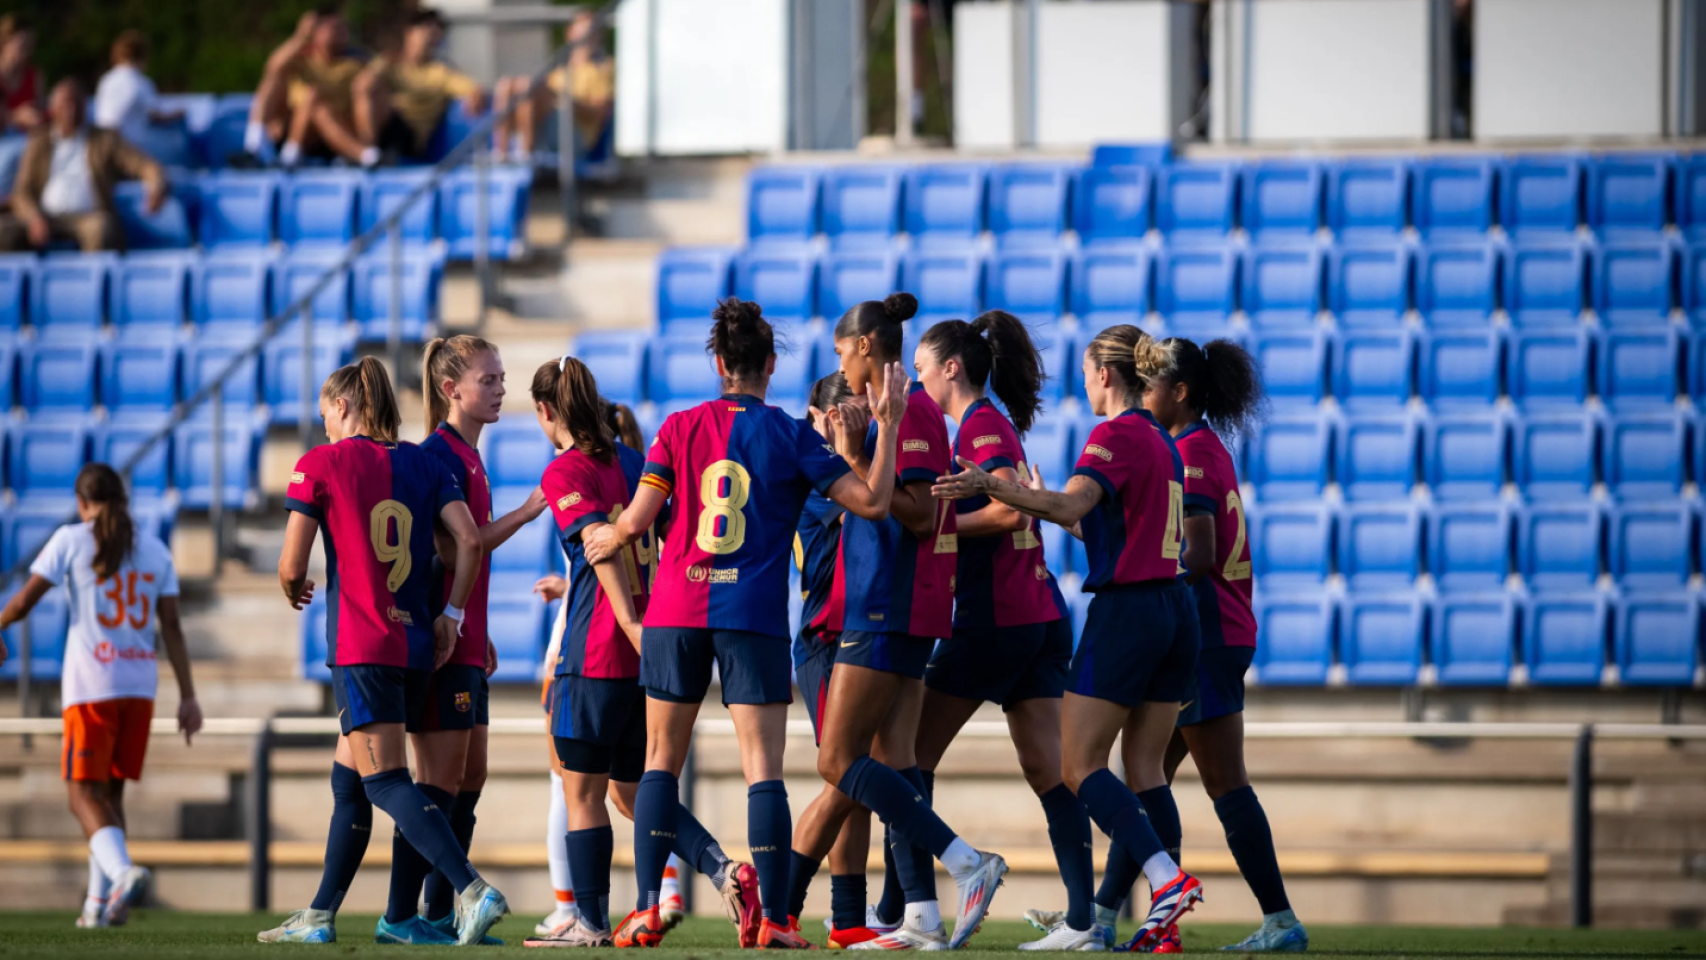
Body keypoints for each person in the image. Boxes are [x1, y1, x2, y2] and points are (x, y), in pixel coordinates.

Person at [579, 297, 907, 949]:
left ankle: (646, 907)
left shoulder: (677, 427)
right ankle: (777, 923)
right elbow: (872, 503)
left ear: (719, 362)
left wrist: (606, 535)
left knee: (659, 761)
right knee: (764, 767)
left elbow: (638, 520)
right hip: (751, 615)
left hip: (676, 610)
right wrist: (889, 424)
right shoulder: (791, 435)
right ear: (770, 365)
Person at [931, 325, 1206, 952]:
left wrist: (994, 487)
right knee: (1143, 770)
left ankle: (1165, 880)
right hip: (1174, 606)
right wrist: (1031, 497)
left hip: (1129, 612)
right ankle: (1139, 922)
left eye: (1086, 372)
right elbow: (1106, 527)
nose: (1083, 383)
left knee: (1077, 766)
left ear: (1105, 375)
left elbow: (1070, 509)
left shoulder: (1114, 434)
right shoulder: (1163, 441)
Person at [781, 293, 1007, 952]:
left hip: (885, 602)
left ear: (866, 347)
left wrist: (852, 454)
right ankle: (923, 916)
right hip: (912, 604)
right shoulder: (910, 411)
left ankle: (967, 862)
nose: (840, 363)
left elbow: (907, 510)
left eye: (841, 350)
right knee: (896, 762)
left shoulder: (902, 413)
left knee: (837, 760)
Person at [258, 357, 509, 946]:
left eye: (326, 414)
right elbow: (468, 541)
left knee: (388, 780)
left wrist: (293, 588)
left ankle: (472, 889)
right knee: (350, 780)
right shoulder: (422, 464)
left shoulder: (320, 464)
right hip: (417, 644)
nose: (324, 426)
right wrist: (453, 615)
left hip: (361, 645)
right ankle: (320, 916)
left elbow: (292, 566)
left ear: (343, 406)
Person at [525, 357, 767, 947]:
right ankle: (723, 870)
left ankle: (587, 921)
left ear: (546, 411)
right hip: (652, 650)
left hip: (597, 649)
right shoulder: (636, 461)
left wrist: (629, 621)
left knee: (582, 793)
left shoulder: (564, 471)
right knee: (634, 791)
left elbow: (598, 548)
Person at [906, 311, 1098, 951]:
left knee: (906, 759)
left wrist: (938, 532)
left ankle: (910, 913)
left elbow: (1003, 500)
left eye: (922, 367)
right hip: (1039, 615)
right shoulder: (994, 425)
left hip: (997, 619)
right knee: (1051, 770)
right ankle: (1083, 920)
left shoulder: (981, 428)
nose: (916, 378)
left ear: (951, 369)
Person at [372, 336, 547, 945]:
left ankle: (442, 914)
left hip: (467, 638)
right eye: (490, 380)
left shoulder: (470, 457)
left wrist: (481, 625)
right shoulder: (439, 455)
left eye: (501, 378)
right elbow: (454, 547)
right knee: (437, 782)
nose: (501, 389)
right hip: (442, 641)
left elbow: (465, 558)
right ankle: (401, 915)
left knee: (470, 777)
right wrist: (527, 513)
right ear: (452, 389)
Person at [0, 463, 200, 930]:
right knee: (110, 797)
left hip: (92, 686)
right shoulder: (153, 548)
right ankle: (100, 904)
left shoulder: (71, 539)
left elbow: (25, 599)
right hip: (139, 686)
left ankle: (121, 872)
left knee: (79, 793)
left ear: (81, 501)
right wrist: (189, 696)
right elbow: (171, 627)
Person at [786, 372, 890, 949]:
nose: (853, 429)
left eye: (861, 419)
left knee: (859, 780)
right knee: (845, 775)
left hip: (862, 634)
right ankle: (794, 904)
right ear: (817, 416)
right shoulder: (815, 478)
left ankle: (850, 916)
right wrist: (851, 454)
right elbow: (866, 512)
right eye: (841, 417)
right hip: (827, 638)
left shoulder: (859, 466)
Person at [0, 78, 166, 253]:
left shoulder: (105, 139)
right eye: (65, 104)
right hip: (45, 216)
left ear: (85, 107)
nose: (71, 111)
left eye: (76, 104)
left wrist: (156, 184)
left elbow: (143, 164)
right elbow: (22, 192)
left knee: (102, 230)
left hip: (89, 216)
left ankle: (94, 279)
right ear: (53, 109)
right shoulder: (38, 143)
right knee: (4, 232)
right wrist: (33, 219)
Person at [244, 4, 376, 169]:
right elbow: (272, 67)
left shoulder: (357, 61)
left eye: (341, 27)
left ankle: (366, 155)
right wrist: (301, 37)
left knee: (315, 102)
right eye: (330, 27)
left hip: (336, 130)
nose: (336, 32)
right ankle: (254, 145)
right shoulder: (300, 58)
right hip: (296, 127)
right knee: (273, 81)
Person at [353, 9, 483, 164]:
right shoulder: (390, 63)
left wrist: (476, 95)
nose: (429, 37)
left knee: (376, 96)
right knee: (368, 89)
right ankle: (367, 154)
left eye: (435, 33)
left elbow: (473, 88)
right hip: (386, 128)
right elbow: (362, 84)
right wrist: (381, 67)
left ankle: (367, 155)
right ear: (409, 33)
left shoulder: (440, 72)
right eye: (424, 30)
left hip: (411, 137)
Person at [492, 9, 611, 163]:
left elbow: (599, 113)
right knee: (507, 86)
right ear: (570, 34)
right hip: (549, 126)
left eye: (591, 32)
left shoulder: (602, 70)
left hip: (575, 137)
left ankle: (526, 153)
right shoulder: (558, 72)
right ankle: (501, 153)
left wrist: (565, 101)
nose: (586, 37)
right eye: (582, 32)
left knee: (529, 87)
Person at [93, 31, 183, 153]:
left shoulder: (106, 79)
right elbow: (156, 116)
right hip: (127, 150)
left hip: (100, 146)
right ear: (143, 56)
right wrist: (178, 114)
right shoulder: (141, 83)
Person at [0, 16, 42, 133]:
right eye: (23, 45)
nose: (28, 52)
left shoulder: (34, 75)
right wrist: (14, 117)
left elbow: (41, 109)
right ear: (6, 42)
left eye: (31, 46)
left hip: (27, 141)